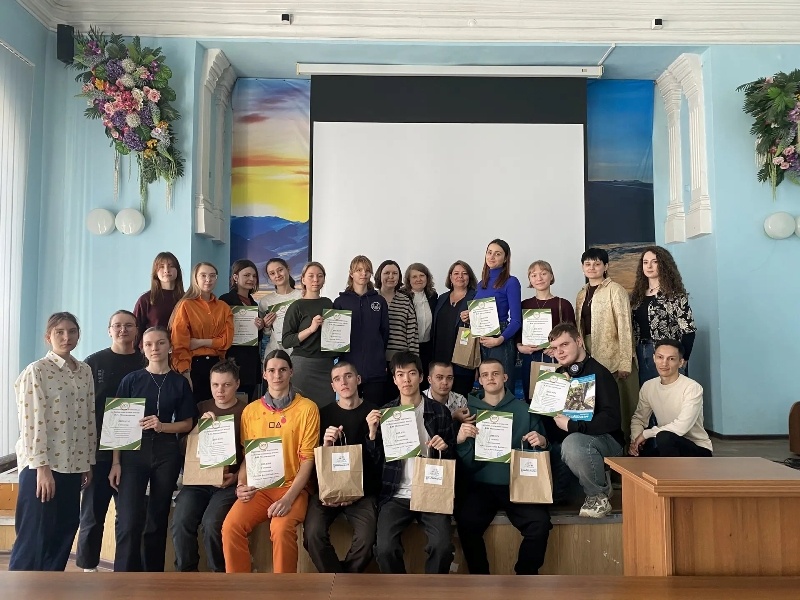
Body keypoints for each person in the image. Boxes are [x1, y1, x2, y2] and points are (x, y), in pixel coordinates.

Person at [9, 312, 95, 571]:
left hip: (73, 465)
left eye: (72, 331)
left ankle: (51, 588)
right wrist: (42, 469)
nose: (66, 337)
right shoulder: (36, 370)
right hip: (42, 467)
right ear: (48, 337)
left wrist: (87, 463)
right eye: (60, 332)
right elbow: (32, 422)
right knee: (35, 536)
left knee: (64, 532)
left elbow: (88, 417)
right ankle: (21, 588)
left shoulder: (84, 371)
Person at [222, 350, 320, 573]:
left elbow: (308, 460)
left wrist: (288, 499)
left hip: (293, 488)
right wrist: (241, 485)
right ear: (264, 374)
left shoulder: (307, 409)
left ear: (291, 372)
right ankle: (238, 586)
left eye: (283, 370)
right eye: (272, 370)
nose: (277, 375)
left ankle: (283, 589)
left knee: (281, 528)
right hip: (259, 488)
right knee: (231, 527)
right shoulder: (251, 411)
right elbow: (248, 456)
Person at [109, 326, 197, 571]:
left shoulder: (179, 382)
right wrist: (116, 463)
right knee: (128, 520)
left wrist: (162, 426)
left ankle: (153, 578)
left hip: (166, 452)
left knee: (157, 519)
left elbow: (188, 423)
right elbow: (117, 424)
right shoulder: (131, 380)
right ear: (142, 348)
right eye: (148, 344)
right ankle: (124, 578)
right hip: (133, 453)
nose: (154, 348)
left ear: (169, 346)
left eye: (160, 343)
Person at [455, 359, 552, 575]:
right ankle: (480, 580)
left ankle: (525, 578)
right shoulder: (468, 413)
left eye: (495, 373)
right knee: (466, 522)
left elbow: (543, 451)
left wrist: (543, 442)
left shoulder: (524, 410)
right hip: (481, 484)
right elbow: (465, 464)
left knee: (540, 524)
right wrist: (460, 441)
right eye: (485, 375)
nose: (490, 378)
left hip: (517, 483)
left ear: (505, 377)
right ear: (479, 380)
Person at [366, 351, 456, 574]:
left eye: (412, 373)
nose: (406, 380)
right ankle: (399, 589)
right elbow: (374, 464)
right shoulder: (386, 413)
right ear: (394, 379)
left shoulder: (440, 412)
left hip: (432, 491)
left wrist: (444, 449)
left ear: (421, 377)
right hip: (396, 494)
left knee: (443, 547)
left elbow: (454, 459)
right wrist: (372, 434)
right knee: (384, 549)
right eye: (400, 374)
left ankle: (433, 589)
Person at [76, 310, 143, 572]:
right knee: (92, 515)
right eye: (117, 325)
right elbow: (82, 408)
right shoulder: (93, 363)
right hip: (99, 451)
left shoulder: (145, 360)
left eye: (129, 325)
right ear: (109, 330)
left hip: (135, 452)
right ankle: (87, 568)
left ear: (136, 329)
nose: (123, 330)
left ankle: (125, 573)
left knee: (129, 520)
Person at [302, 362, 380, 573]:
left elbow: (380, 464)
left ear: (358, 379)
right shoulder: (322, 414)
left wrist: (372, 434)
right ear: (332, 386)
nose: (343, 382)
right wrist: (326, 445)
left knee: (368, 539)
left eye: (348, 376)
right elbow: (313, 463)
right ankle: (337, 578)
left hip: (363, 493)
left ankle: (343, 581)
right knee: (312, 535)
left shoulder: (374, 413)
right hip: (328, 491)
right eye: (337, 379)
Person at [171, 359, 247, 572]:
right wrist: (198, 428)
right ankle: (186, 575)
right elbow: (182, 448)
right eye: (215, 385)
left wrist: (236, 478)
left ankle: (218, 576)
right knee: (181, 521)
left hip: (228, 483)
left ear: (237, 384)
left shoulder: (247, 412)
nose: (220, 390)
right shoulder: (200, 408)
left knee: (212, 523)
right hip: (198, 482)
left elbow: (251, 453)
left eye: (226, 385)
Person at [543, 323, 624, 519]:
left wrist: (573, 425)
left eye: (564, 345)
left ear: (579, 341)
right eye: (555, 348)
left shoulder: (600, 373)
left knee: (572, 443)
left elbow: (612, 420)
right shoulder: (558, 376)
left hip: (607, 440)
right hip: (575, 440)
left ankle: (598, 497)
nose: (559, 352)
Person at [575, 248, 638, 440]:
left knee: (619, 404)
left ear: (606, 266)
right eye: (588, 264)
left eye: (597, 264)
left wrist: (625, 361)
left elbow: (625, 326)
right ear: (582, 267)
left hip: (613, 354)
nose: (592, 268)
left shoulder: (615, 290)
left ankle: (625, 446)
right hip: (588, 352)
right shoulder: (581, 294)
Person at [629, 340, 712, 458]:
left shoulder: (692, 388)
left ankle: (670, 471)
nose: (664, 363)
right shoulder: (648, 386)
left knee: (664, 437)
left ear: (680, 362)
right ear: (653, 358)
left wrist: (646, 434)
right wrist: (636, 440)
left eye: (671, 359)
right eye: (660, 357)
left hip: (697, 449)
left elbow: (681, 427)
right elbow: (639, 418)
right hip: (667, 447)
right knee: (632, 460)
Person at [630, 246, 697, 386]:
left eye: (654, 262)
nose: (649, 266)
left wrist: (683, 358)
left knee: (671, 394)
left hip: (668, 354)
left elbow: (689, 331)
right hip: (641, 352)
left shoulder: (674, 296)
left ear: (663, 264)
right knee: (649, 393)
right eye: (645, 262)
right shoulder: (637, 297)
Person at [170, 262, 234, 405]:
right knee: (194, 411)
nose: (208, 279)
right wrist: (185, 373)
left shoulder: (223, 308)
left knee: (216, 412)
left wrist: (199, 342)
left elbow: (226, 341)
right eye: (203, 275)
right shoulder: (185, 305)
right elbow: (179, 343)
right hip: (193, 366)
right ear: (195, 278)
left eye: (212, 276)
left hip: (218, 366)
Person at [463, 239, 522, 394]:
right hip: (481, 338)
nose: (492, 257)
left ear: (505, 258)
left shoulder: (511, 282)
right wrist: (469, 315)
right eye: (489, 252)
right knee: (485, 388)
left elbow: (516, 320)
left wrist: (500, 339)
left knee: (502, 387)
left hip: (500, 338)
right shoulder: (481, 283)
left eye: (497, 254)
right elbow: (479, 314)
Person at [333, 256, 389, 405]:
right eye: (359, 270)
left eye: (367, 270)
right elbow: (335, 337)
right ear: (351, 273)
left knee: (375, 411)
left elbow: (384, 333)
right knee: (351, 409)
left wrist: (377, 354)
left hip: (375, 369)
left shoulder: (379, 301)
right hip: (349, 369)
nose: (363, 273)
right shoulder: (340, 302)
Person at [517, 260, 576, 400]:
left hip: (556, 358)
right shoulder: (524, 305)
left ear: (551, 276)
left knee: (555, 400)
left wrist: (556, 348)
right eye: (534, 275)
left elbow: (573, 335)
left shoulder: (563, 304)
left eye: (543, 273)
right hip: (530, 359)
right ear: (530, 280)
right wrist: (520, 347)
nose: (539, 278)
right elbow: (518, 333)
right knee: (532, 399)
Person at [281, 262, 336, 407]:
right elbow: (287, 341)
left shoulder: (328, 303)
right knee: (300, 410)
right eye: (311, 276)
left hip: (326, 366)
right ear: (303, 280)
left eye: (320, 276)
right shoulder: (296, 306)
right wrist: (311, 329)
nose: (315, 280)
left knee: (327, 409)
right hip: (303, 366)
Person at [431, 260, 478, 398]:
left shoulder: (476, 297)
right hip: (440, 359)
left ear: (469, 277)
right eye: (456, 273)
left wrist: (473, 319)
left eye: (464, 273)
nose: (460, 276)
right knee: (439, 400)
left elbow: (484, 327)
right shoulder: (441, 298)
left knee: (460, 399)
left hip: (463, 361)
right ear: (450, 277)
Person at [219, 259, 263, 400]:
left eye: (254, 276)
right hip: (232, 359)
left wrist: (260, 327)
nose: (251, 279)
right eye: (247, 275)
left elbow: (258, 338)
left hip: (250, 363)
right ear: (235, 277)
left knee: (248, 404)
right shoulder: (225, 300)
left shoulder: (254, 303)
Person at [375, 260, 418, 402]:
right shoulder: (372, 299)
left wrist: (414, 361)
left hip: (400, 362)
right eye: (386, 273)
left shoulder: (405, 301)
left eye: (395, 273)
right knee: (378, 401)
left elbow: (412, 333)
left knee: (398, 402)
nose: (391, 276)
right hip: (376, 361)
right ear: (379, 275)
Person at [402, 262, 438, 386]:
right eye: (414, 276)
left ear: (427, 278)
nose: (418, 279)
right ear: (408, 280)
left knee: (425, 381)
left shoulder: (432, 296)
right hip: (409, 348)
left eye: (422, 276)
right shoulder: (402, 296)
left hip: (428, 347)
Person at [258, 257, 303, 355]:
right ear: (269, 277)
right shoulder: (265, 302)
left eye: (280, 270)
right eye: (272, 273)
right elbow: (266, 333)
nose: (277, 275)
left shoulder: (302, 296)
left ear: (288, 269)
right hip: (275, 354)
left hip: (298, 353)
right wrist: (266, 325)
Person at [133, 251, 185, 333]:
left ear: (177, 270)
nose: (166, 270)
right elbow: (136, 330)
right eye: (161, 267)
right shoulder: (146, 299)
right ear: (155, 272)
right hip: (153, 341)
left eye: (171, 266)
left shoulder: (186, 299)